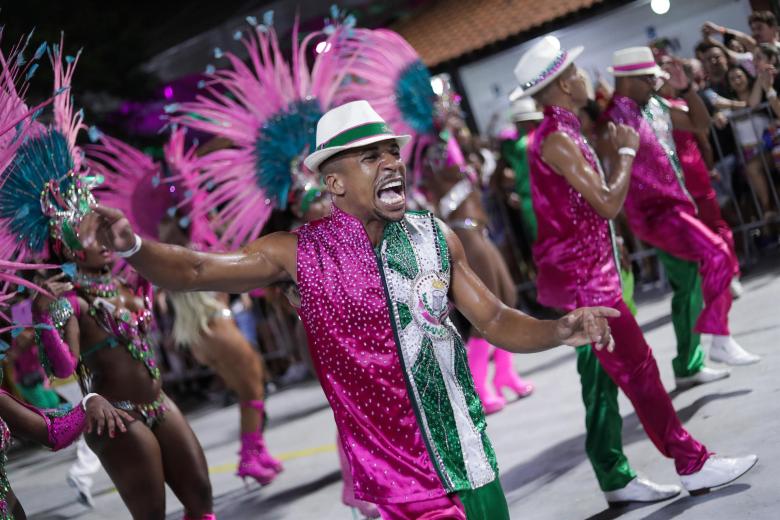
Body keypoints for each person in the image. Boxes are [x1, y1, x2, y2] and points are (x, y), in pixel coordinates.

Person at [81, 99, 618, 519]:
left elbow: (495, 318)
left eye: (391, 152)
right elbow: (198, 270)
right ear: (334, 182)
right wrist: (134, 247)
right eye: (371, 157)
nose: (391, 164)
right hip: (400, 474)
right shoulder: (296, 252)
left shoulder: (436, 236)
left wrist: (559, 330)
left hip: (470, 453)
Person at [514, 36, 757, 504]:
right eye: (579, 72)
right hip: (590, 285)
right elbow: (605, 203)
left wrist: (614, 244)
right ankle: (693, 463)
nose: (587, 78)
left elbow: (578, 211)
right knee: (641, 372)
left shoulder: (560, 132)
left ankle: (617, 478)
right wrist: (626, 153)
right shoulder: (558, 138)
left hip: (592, 273)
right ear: (565, 83)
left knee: (612, 377)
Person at [0, 42, 215, 520]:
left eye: (101, 228)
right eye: (89, 232)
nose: (100, 238)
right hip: (115, 416)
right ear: (66, 246)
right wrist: (45, 323)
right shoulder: (69, 301)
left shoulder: (127, 281)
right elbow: (61, 370)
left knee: (201, 497)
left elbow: (181, 272)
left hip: (158, 402)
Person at [602, 46, 761, 366]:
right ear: (629, 81)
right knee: (717, 254)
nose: (655, 84)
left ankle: (689, 364)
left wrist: (687, 88)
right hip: (655, 214)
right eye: (649, 79)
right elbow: (607, 172)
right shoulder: (613, 119)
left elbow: (698, 123)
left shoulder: (654, 104)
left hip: (676, 208)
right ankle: (720, 338)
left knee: (688, 286)